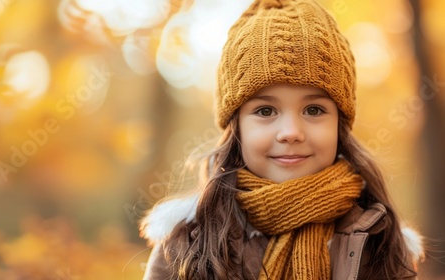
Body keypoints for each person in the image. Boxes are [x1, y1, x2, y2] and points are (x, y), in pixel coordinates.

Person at [140, 0, 424, 279]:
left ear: (340, 124)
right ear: (236, 127)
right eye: (265, 111)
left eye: (314, 110)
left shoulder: (380, 242)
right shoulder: (185, 248)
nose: (290, 132)